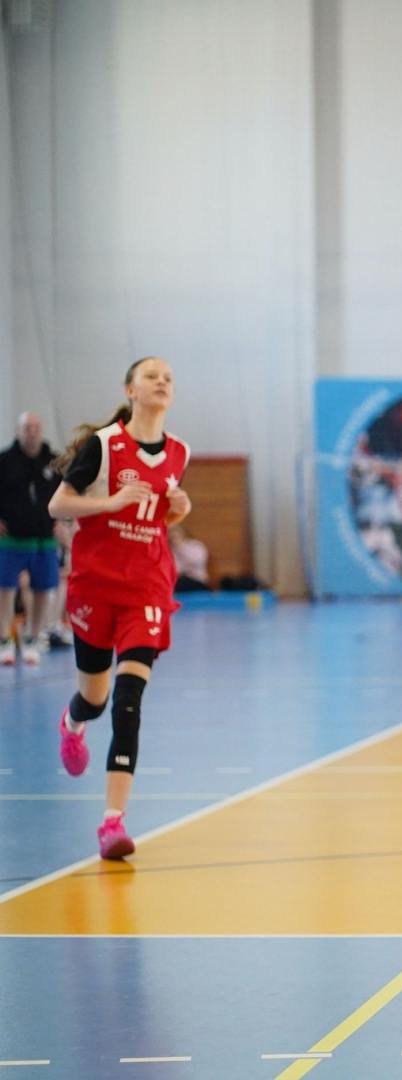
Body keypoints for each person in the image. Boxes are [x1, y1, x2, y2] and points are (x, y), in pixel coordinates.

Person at [47, 357, 191, 860]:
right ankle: (73, 722)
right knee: (96, 699)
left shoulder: (179, 452)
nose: (162, 382)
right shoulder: (104, 445)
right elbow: (58, 505)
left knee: (128, 701)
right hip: (95, 587)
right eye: (152, 376)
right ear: (131, 389)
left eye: (168, 378)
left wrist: (181, 510)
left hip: (147, 588)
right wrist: (108, 503)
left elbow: (159, 515)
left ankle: (113, 822)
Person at [0, 412, 64, 665]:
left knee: (43, 589)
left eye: (35, 427)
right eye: (26, 428)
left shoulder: (54, 462)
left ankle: (33, 637)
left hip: (44, 539)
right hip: (11, 539)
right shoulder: (5, 461)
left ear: (42, 430)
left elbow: (68, 493)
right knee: (5, 588)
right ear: (18, 431)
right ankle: (4, 639)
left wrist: (64, 520)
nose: (31, 432)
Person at [168, 523, 211, 592]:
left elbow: (197, 561)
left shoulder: (195, 546)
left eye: (176, 531)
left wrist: (180, 546)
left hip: (196, 580)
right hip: (176, 581)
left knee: (183, 581)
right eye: (171, 532)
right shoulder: (169, 550)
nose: (173, 534)